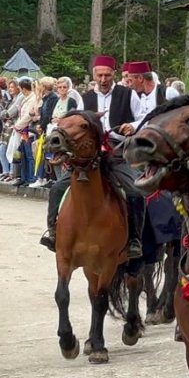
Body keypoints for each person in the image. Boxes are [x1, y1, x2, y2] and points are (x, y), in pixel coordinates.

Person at [42, 55, 144, 258]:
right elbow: (70, 121)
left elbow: (143, 118)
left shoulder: (127, 94)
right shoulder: (85, 98)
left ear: (113, 74)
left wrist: (132, 126)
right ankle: (53, 232)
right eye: (100, 75)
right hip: (88, 153)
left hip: (117, 151)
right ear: (94, 75)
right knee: (56, 189)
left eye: (107, 75)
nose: (104, 79)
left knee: (134, 192)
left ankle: (134, 239)